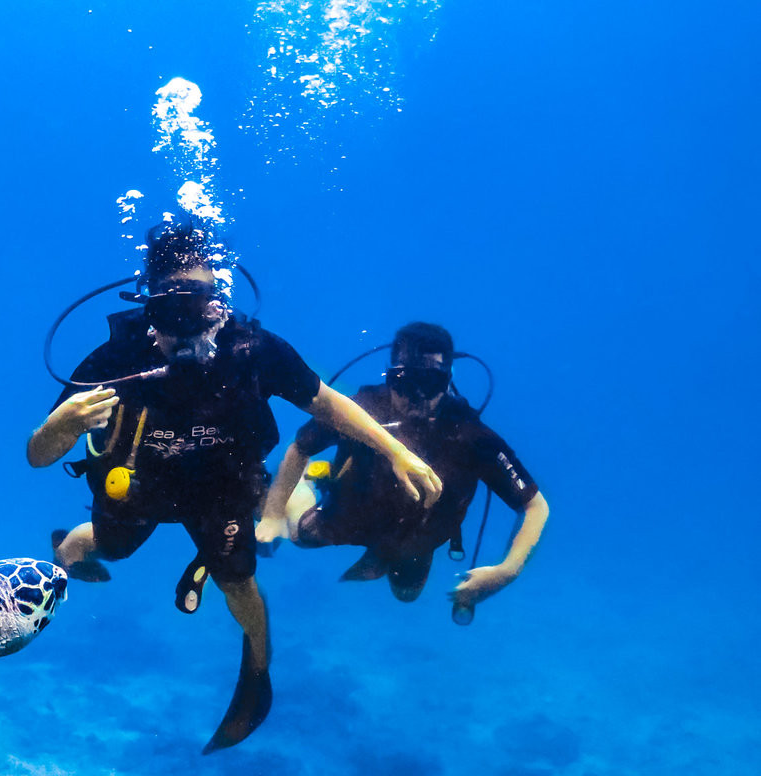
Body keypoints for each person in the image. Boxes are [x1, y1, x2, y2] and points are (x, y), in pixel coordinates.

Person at [27, 223, 442, 748]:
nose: (184, 330)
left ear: (218, 303)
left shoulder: (253, 350)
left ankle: (257, 671)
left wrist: (396, 450)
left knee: (238, 580)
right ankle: (67, 549)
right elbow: (39, 457)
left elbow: (323, 401)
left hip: (220, 487)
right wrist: (57, 428)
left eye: (197, 310)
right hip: (139, 482)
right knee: (110, 547)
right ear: (147, 308)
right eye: (167, 312)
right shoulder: (117, 359)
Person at [256, 321, 548, 615]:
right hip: (351, 513)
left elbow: (535, 507)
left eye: (430, 383)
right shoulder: (364, 409)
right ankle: (310, 480)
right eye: (404, 382)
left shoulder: (470, 436)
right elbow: (300, 447)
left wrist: (507, 571)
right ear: (390, 376)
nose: (415, 398)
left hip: (415, 536)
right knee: (297, 535)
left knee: (406, 594)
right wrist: (271, 514)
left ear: (447, 382)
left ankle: (384, 549)